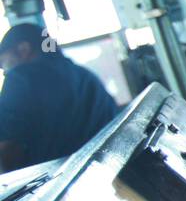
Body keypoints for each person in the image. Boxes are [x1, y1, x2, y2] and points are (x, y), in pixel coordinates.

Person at [0, 23, 119, 172]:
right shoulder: (85, 76)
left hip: (55, 181)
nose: (5, 72)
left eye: (3, 63)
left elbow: (8, 146)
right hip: (104, 171)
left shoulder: (21, 77)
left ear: (23, 49)